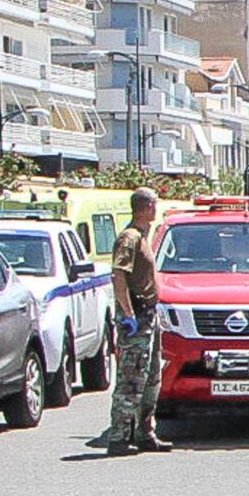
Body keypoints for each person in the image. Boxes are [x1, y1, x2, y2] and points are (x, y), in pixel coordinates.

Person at [97, 188, 171, 455]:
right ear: (146, 206)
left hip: (150, 314)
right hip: (136, 316)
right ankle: (119, 436)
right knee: (131, 377)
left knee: (151, 376)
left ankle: (144, 432)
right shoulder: (129, 238)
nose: (156, 209)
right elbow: (119, 276)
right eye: (154, 204)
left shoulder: (142, 237)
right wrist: (128, 315)